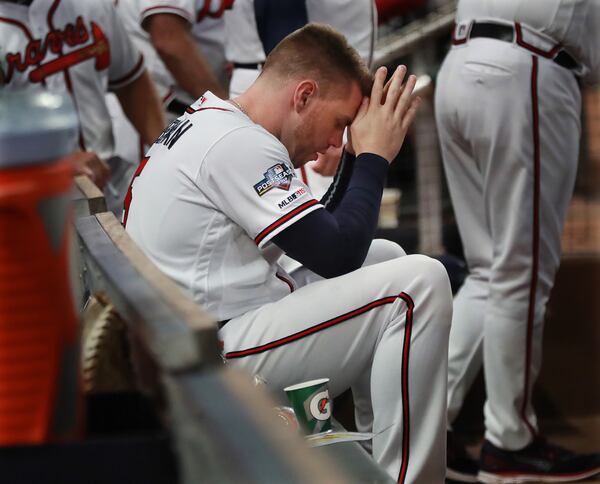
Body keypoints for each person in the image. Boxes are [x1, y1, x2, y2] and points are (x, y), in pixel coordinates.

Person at [125, 24, 453, 482]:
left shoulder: (217, 122)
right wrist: (374, 159)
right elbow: (335, 253)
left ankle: (376, 460)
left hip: (197, 337)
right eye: (340, 122)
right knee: (419, 282)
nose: (338, 142)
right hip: (208, 362)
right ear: (303, 96)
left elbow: (333, 241)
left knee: (387, 257)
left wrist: (362, 159)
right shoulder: (236, 141)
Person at [434, 0, 600, 482]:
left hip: (465, 63)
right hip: (525, 67)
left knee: (489, 271)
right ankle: (511, 443)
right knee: (519, 275)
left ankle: (421, 424)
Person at [0, 0, 165, 206]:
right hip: (28, 198)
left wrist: (167, 151)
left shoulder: (90, 5)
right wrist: (57, 161)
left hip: (110, 176)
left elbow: (130, 81)